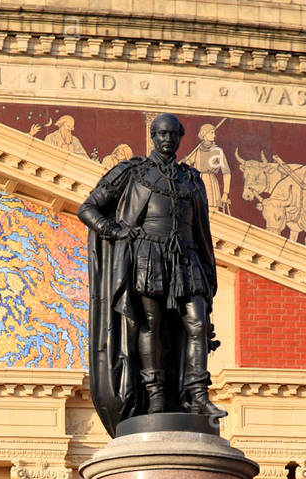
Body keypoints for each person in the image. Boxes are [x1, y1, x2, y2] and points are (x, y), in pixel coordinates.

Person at [77, 112, 223, 431]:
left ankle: (197, 393)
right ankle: (155, 394)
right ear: (153, 137)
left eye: (174, 135)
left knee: (196, 323)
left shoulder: (192, 180)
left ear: (181, 138)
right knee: (150, 326)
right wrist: (114, 231)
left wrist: (210, 277)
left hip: (186, 258)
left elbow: (202, 232)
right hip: (148, 256)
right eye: (162, 134)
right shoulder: (131, 173)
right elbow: (88, 208)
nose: (168, 140)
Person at [184, 122, 231, 211]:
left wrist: (225, 193)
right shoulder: (198, 150)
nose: (214, 135)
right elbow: (187, 163)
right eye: (212, 132)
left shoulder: (218, 151)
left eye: (214, 132)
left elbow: (226, 173)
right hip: (197, 182)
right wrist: (180, 164)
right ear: (204, 134)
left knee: (211, 211)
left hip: (211, 184)